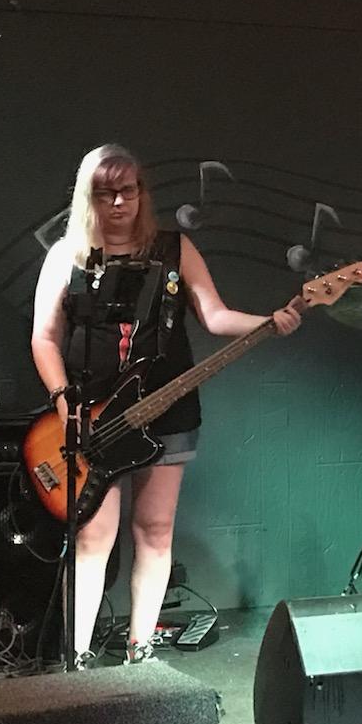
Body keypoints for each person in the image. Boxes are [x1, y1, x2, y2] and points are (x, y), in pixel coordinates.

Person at [30, 144, 302, 666]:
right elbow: (44, 337)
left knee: (154, 531)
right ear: (87, 197)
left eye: (127, 190)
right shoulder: (66, 256)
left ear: (141, 193)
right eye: (105, 193)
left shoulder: (174, 249)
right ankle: (77, 658)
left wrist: (270, 321)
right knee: (94, 537)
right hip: (92, 416)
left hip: (165, 409)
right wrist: (64, 401)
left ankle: (141, 651)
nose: (118, 202)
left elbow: (214, 315)